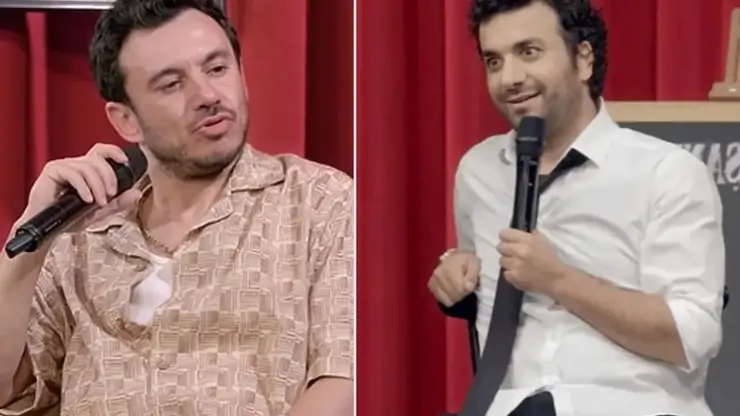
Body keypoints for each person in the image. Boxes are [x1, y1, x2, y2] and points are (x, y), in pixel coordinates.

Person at [0, 1, 354, 415]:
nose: (207, 95)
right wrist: (31, 240)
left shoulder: (318, 202)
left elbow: (343, 378)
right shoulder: (79, 240)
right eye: (172, 84)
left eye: (217, 68)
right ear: (126, 120)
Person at [427, 1, 725, 415]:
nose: (509, 78)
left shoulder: (666, 173)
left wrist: (559, 279)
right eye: (494, 61)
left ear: (583, 59)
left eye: (529, 52)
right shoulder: (478, 171)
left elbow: (691, 337)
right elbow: (477, 279)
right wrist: (455, 273)